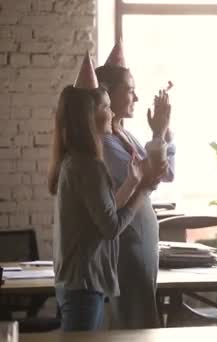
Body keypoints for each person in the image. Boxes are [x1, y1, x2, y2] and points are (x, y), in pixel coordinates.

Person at [49, 53, 159, 331]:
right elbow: (110, 227)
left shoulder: (75, 160)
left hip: (81, 281)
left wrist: (133, 184)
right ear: (92, 115)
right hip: (85, 281)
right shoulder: (89, 166)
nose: (112, 114)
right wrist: (142, 192)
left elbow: (103, 210)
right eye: (107, 107)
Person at [95, 41, 175, 329]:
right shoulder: (103, 142)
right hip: (128, 243)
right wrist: (158, 134)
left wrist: (163, 134)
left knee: (142, 317)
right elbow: (148, 176)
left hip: (143, 243)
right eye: (130, 90)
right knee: (134, 322)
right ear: (107, 92)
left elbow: (164, 174)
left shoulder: (125, 137)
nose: (136, 98)